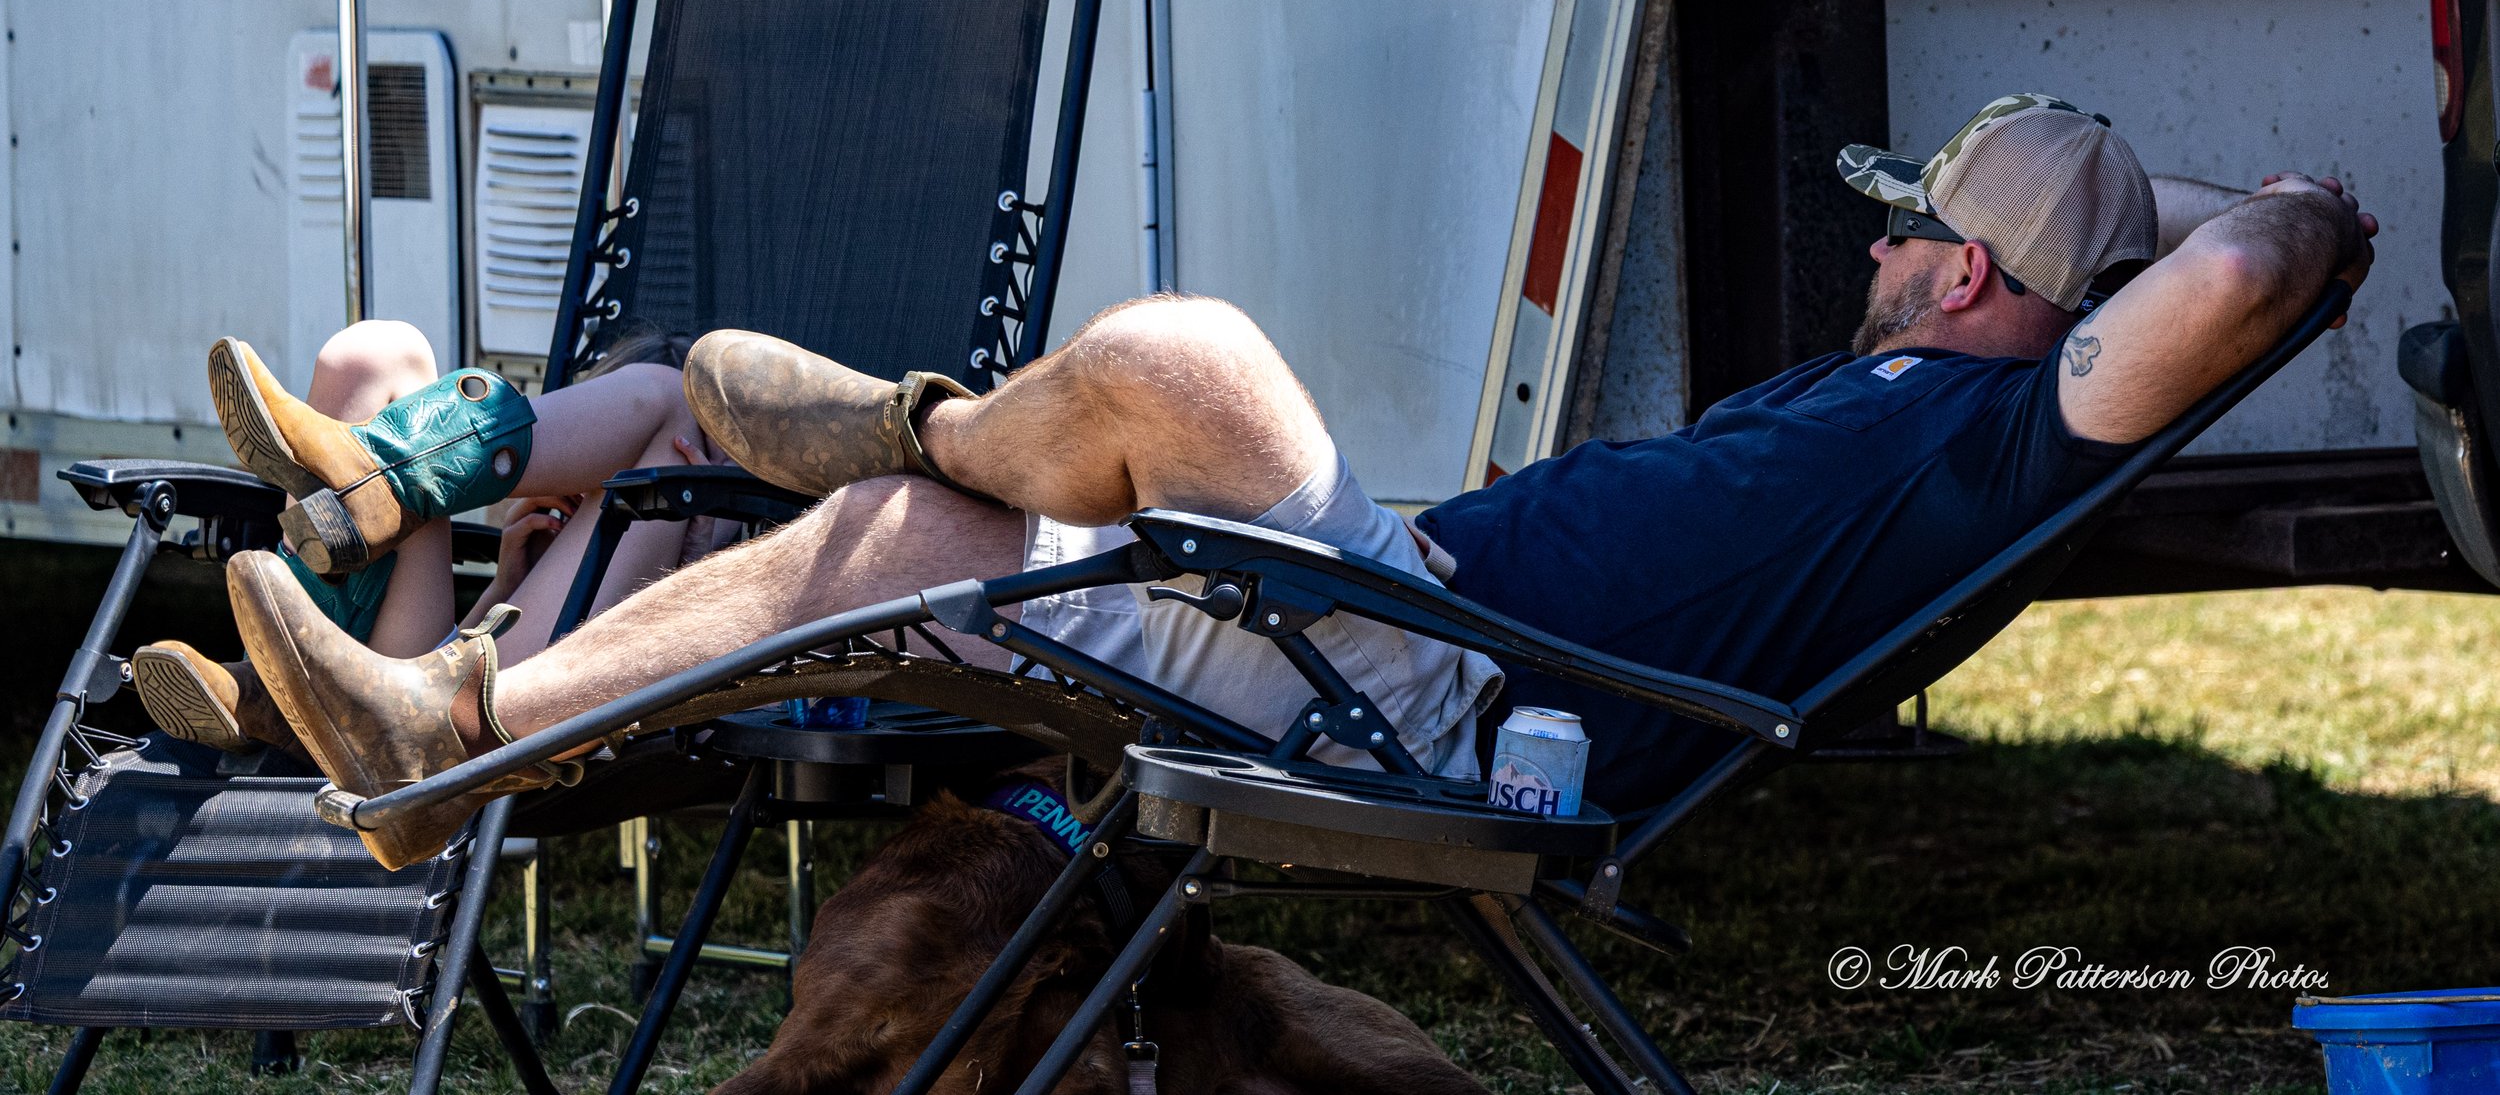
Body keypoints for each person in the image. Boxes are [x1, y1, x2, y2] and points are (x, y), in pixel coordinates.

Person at [215, 93, 2374, 869]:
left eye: (1916, 228)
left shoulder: (1998, 433)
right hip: (1395, 615)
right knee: (898, 539)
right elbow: (2219, 235)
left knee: (1186, 360)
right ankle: (452, 740)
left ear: (1984, 277)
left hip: (1453, 695)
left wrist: (2086, 239)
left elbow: (2277, 242)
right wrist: (2056, 215)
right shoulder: (1918, 363)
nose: (1875, 243)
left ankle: (906, 410)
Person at [133, 321, 721, 787]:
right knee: (379, 354)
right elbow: (451, 658)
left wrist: (692, 551)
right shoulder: (555, 541)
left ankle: (375, 479)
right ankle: (275, 685)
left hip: (477, 726)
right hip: (412, 695)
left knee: (672, 396)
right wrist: (505, 584)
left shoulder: (734, 566)